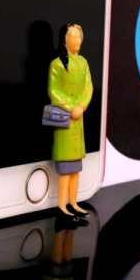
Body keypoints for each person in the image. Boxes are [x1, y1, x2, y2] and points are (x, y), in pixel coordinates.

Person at [48, 23, 93, 218]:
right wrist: (70, 107)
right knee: (65, 170)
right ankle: (62, 206)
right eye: (73, 36)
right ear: (64, 40)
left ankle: (73, 202)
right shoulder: (57, 64)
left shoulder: (83, 63)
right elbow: (54, 91)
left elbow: (88, 87)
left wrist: (81, 106)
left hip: (78, 120)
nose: (77, 40)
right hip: (65, 120)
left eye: (79, 36)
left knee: (75, 169)